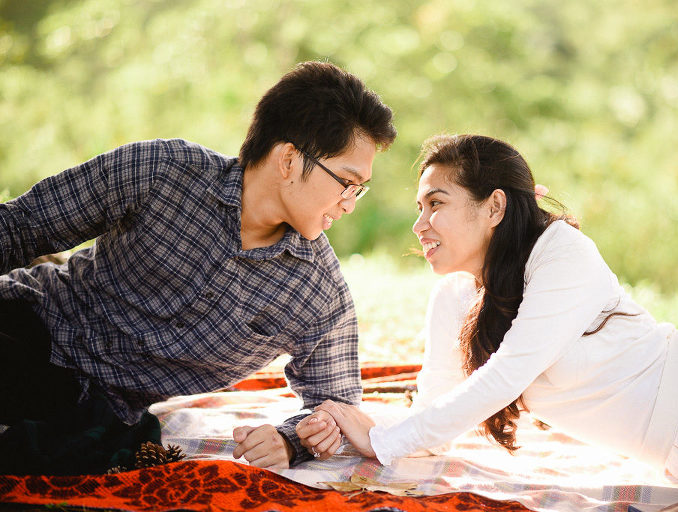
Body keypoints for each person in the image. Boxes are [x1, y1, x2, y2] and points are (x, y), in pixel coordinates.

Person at [296, 134, 678, 499]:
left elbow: (506, 375)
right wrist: (351, 426)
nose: (420, 225)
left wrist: (381, 441)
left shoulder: (563, 254)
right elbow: (432, 422)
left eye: (436, 204)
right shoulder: (453, 298)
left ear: (495, 206)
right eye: (419, 208)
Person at [0, 61, 396, 473]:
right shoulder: (161, 170)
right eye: (346, 183)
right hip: (32, 322)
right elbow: (19, 227)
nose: (350, 203)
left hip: (94, 408)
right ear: (289, 160)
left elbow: (337, 406)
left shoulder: (319, 292)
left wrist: (291, 440)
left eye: (359, 190)